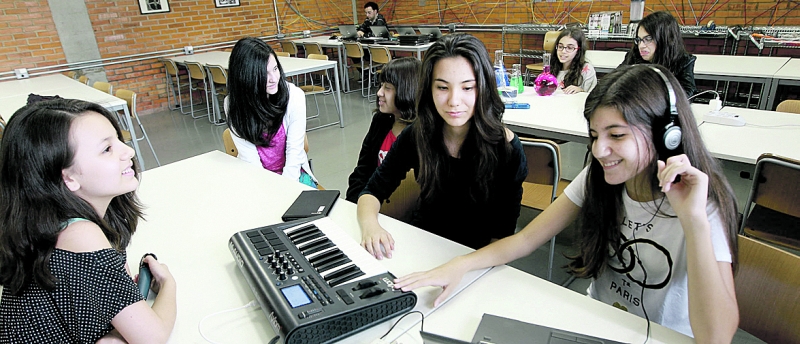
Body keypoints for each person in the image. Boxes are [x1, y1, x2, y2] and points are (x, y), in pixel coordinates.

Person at [393, 65, 740, 342]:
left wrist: (694, 220)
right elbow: (527, 239)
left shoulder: (701, 202)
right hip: (597, 323)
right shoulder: (598, 178)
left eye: (616, 135)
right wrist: (460, 264)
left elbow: (716, 338)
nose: (599, 150)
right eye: (595, 136)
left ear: (667, 134)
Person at [0, 99, 177, 343]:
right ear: (68, 178)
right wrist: (167, 283)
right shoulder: (79, 234)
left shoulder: (47, 219)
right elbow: (152, 337)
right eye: (107, 149)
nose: (128, 151)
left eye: (117, 139)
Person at [357, 33, 527, 258]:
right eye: (443, 88)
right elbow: (372, 191)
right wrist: (371, 227)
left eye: (467, 88)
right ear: (429, 88)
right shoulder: (417, 134)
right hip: (424, 244)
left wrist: (459, 267)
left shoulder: (507, 149)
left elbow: (503, 235)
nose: (454, 101)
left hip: (478, 257)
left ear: (484, 88)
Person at [225, 37, 318, 188]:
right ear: (245, 76)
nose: (273, 79)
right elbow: (251, 161)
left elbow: (294, 153)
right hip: (256, 178)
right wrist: (268, 190)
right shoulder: (233, 104)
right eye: (264, 73)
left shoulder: (294, 96)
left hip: (293, 176)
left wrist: (285, 188)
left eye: (275, 69)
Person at [346, 57, 421, 203]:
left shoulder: (421, 133)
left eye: (388, 88)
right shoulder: (381, 121)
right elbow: (362, 171)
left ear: (407, 91)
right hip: (371, 203)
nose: (379, 92)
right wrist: (354, 204)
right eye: (381, 85)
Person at [619, 11, 697, 97]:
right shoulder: (634, 56)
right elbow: (615, 82)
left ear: (665, 39)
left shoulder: (683, 61)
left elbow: (686, 94)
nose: (641, 46)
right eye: (639, 40)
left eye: (648, 39)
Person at [549, 28, 597, 94]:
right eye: (560, 47)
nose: (563, 51)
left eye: (570, 48)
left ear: (578, 50)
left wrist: (581, 91)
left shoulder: (587, 70)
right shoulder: (552, 67)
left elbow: (592, 96)